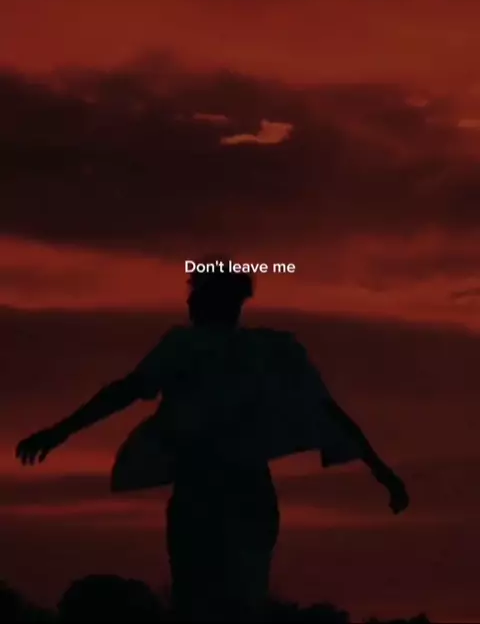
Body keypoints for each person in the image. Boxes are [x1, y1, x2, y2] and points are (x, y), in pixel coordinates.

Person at [15, 263, 409, 621]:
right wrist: (382, 472)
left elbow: (125, 392)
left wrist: (60, 432)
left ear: (208, 300)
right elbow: (331, 412)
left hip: (207, 492)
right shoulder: (274, 351)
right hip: (242, 493)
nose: (189, 302)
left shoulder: (191, 347)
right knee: (236, 602)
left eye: (195, 292)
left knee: (201, 601)